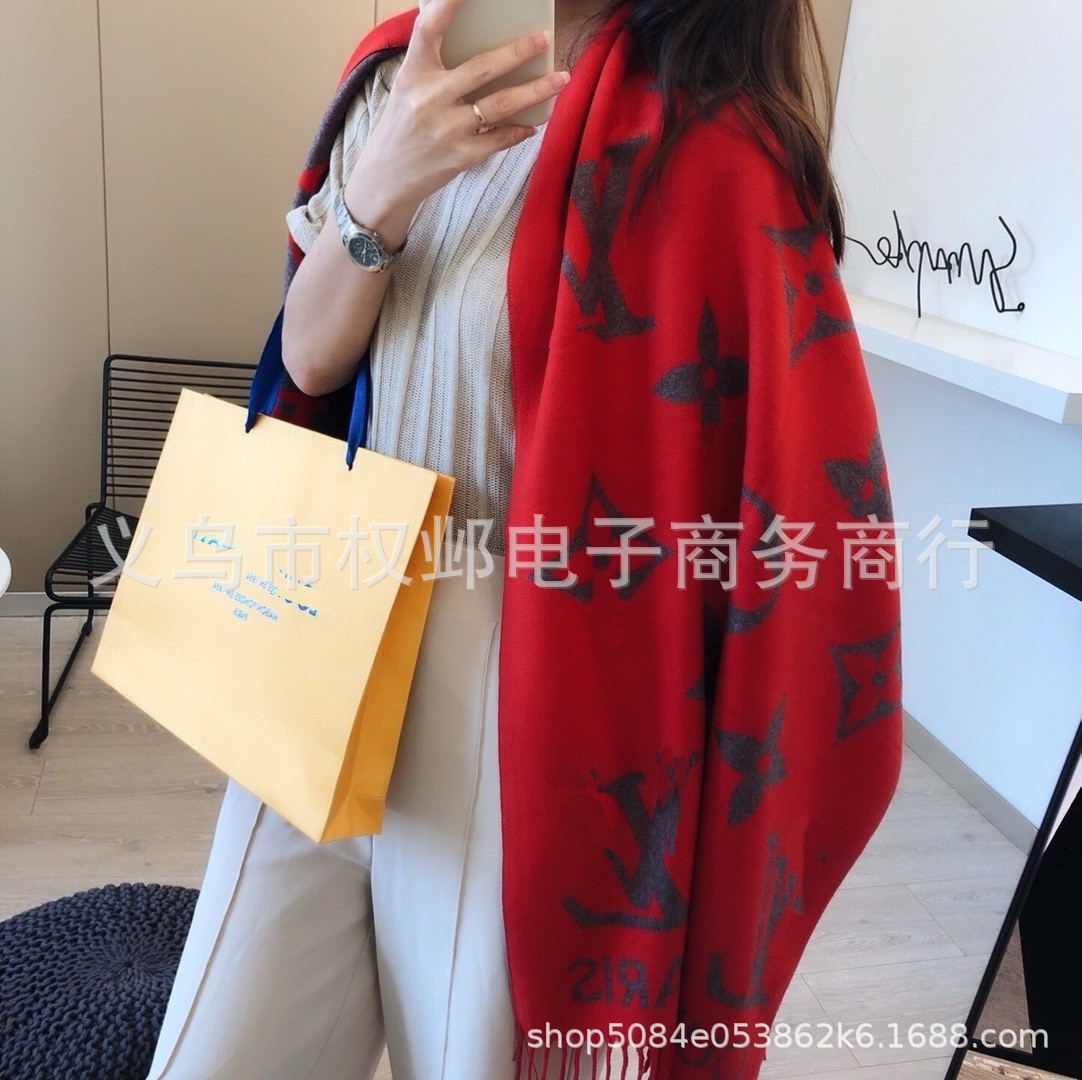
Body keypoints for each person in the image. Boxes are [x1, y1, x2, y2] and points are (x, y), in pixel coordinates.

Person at [147, 1, 903, 1078]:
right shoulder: (396, 71)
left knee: (466, 1054)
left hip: (516, 675)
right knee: (217, 1051)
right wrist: (382, 188)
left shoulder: (712, 150)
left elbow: (791, 519)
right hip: (335, 615)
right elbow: (308, 364)